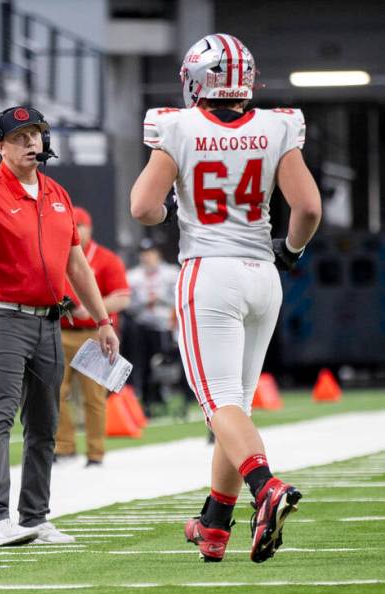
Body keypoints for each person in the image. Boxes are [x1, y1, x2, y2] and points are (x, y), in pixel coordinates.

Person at [130, 33, 321, 563]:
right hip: (264, 273)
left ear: (197, 80)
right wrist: (291, 252)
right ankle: (215, 525)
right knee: (234, 403)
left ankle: (265, 487)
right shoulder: (278, 125)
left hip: (209, 272)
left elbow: (143, 207)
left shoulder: (177, 126)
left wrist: (167, 212)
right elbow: (306, 208)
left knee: (218, 404)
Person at [0, 105, 119, 547]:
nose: (33, 143)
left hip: (49, 319)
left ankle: (33, 516)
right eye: (21, 137)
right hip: (0, 316)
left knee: (45, 422)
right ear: (1, 146)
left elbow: (77, 264)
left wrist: (103, 319)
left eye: (37, 135)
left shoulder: (56, 193)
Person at [54, 207, 130, 467]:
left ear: (89, 228)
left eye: (79, 226)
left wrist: (93, 308)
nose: (75, 231)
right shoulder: (56, 255)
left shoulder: (106, 259)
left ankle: (95, 452)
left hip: (93, 334)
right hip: (59, 331)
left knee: (94, 396)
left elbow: (123, 297)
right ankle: (64, 447)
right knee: (55, 392)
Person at [125, 239, 180, 414]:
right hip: (143, 325)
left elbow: (181, 299)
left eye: (150, 253)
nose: (147, 257)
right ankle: (146, 399)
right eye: (144, 254)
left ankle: (170, 395)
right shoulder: (132, 276)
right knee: (143, 364)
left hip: (167, 326)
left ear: (158, 254)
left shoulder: (172, 273)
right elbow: (127, 305)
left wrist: (161, 298)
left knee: (167, 364)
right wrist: (143, 302)